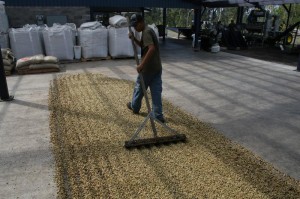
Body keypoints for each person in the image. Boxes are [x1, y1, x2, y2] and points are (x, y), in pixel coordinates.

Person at [126, 14, 165, 123]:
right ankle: (158, 115)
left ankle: (135, 107)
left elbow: (151, 49)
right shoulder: (148, 30)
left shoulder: (146, 32)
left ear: (141, 22)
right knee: (156, 92)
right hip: (157, 67)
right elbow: (144, 45)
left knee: (139, 88)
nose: (135, 28)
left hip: (147, 69)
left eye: (135, 25)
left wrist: (141, 65)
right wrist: (134, 39)